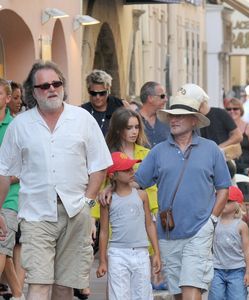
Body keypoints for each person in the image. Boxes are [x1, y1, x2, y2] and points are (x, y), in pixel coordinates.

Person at [0, 61, 112, 300]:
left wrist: (88, 205)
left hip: (75, 212)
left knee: (64, 286)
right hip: (35, 214)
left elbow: (99, 166)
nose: (52, 89)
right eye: (44, 86)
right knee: (39, 283)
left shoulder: (82, 119)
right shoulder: (20, 125)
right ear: (33, 91)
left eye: (56, 83)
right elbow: (3, 171)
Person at [133, 95, 231, 299]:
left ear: (194, 121)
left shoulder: (211, 149)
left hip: (199, 232)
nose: (174, 120)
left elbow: (223, 188)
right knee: (178, 293)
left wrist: (211, 221)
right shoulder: (158, 151)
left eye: (180, 116)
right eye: (171, 117)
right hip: (168, 234)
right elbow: (137, 182)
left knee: (191, 289)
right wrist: (111, 187)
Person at [96, 152, 161, 300]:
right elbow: (104, 232)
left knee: (143, 295)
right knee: (119, 296)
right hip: (117, 254)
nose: (132, 171)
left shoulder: (141, 195)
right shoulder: (107, 200)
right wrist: (102, 261)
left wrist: (157, 252)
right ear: (113, 175)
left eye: (131, 168)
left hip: (141, 252)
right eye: (126, 170)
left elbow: (149, 224)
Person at [0, 79, 24, 300]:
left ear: (8, 99)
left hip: (8, 199)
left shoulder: (16, 127)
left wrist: (5, 179)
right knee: (5, 254)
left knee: (1, 246)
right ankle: (19, 295)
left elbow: (24, 168)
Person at [208, 186, 249, 300]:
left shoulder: (241, 225)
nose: (223, 203)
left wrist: (248, 273)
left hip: (237, 270)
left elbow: (247, 250)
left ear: (237, 204)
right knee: (215, 297)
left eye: (228, 201)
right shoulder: (213, 222)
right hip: (217, 270)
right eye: (220, 200)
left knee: (238, 297)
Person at [177, 84, 242, 148]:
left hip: (221, 157)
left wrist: (219, 148)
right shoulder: (192, 118)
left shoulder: (220, 113)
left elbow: (238, 136)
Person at [81, 69, 125, 136]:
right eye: (93, 93)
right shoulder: (82, 111)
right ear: (88, 91)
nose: (98, 97)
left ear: (108, 90)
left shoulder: (121, 105)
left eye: (102, 93)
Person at [225, 98, 249, 178]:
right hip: (227, 169)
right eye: (229, 109)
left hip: (245, 169)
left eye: (235, 109)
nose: (232, 111)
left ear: (241, 110)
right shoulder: (223, 128)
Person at [139, 81, 169, 148]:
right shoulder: (134, 119)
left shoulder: (166, 119)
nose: (166, 99)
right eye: (162, 96)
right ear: (150, 98)